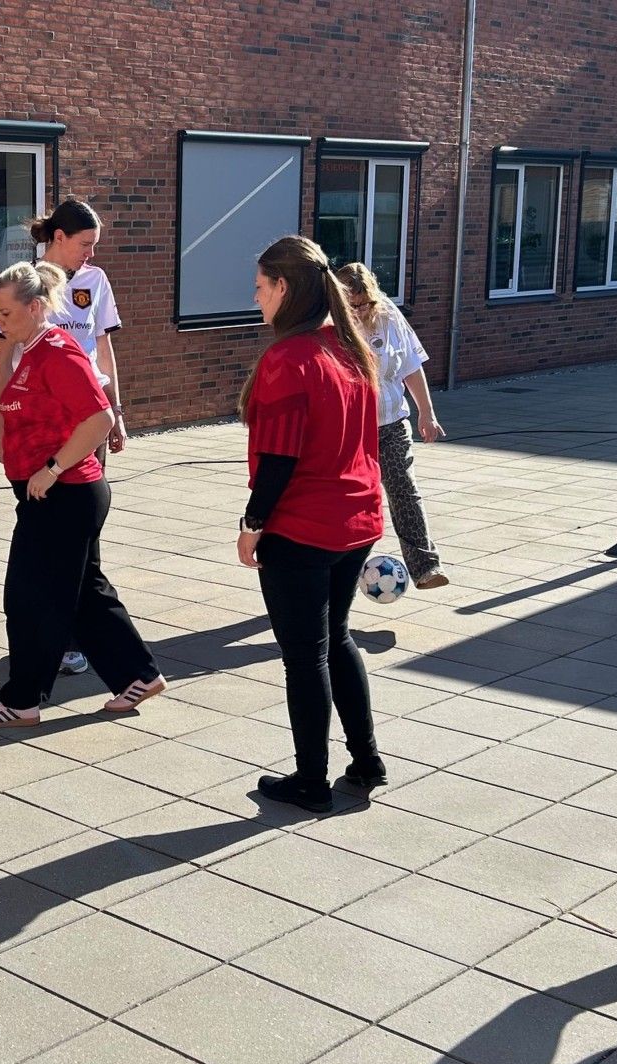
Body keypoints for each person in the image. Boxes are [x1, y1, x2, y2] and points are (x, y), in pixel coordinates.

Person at [0, 260, 164, 728]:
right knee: (84, 593)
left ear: (36, 308)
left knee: (31, 596)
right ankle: (139, 674)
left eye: (6, 313)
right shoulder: (28, 350)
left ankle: (22, 700)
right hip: (53, 494)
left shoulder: (58, 351)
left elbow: (99, 418)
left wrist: (52, 469)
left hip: (66, 494)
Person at [237, 237, 384, 814]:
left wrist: (253, 524)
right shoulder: (347, 349)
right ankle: (366, 759)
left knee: (305, 656)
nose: (255, 300)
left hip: (304, 526)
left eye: (259, 287)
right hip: (357, 518)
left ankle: (310, 780)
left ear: (284, 288)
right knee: (336, 639)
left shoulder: (289, 360)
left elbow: (278, 460)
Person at [0, 197, 130, 677]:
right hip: (39, 423)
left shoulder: (95, 281)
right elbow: (3, 356)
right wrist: (2, 419)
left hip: (87, 417)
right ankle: (64, 640)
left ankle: (77, 638)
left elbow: (104, 347)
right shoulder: (21, 285)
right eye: (85, 244)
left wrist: (116, 410)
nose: (90, 253)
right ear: (58, 239)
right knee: (48, 537)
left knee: (81, 536)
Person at [337, 261, 448, 589]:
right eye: (350, 304)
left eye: (363, 303)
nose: (358, 310)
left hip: (391, 422)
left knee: (404, 491)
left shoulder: (388, 315)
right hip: (349, 429)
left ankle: (426, 567)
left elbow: (411, 367)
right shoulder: (330, 322)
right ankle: (338, 574)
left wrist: (426, 413)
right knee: (351, 501)